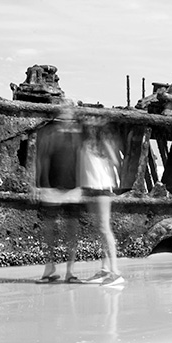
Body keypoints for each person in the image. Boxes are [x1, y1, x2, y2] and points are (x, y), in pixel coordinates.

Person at [33, 109, 84, 283]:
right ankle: (50, 268)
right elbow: (42, 159)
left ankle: (70, 272)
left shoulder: (76, 136)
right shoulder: (49, 133)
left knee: (72, 233)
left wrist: (81, 186)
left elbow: (81, 161)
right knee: (49, 231)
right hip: (52, 189)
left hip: (72, 190)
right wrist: (41, 185)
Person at [78, 115, 126, 287]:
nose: (89, 127)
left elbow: (116, 161)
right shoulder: (85, 144)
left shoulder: (102, 144)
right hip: (90, 189)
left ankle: (116, 272)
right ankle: (105, 270)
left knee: (105, 229)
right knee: (100, 229)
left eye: (92, 126)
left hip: (102, 189)